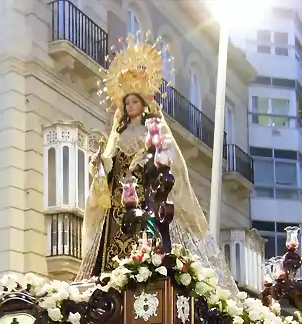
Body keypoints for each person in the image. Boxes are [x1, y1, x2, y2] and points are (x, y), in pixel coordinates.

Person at [76, 31, 237, 296]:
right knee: (110, 257)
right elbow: (110, 166)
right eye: (126, 102)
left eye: (134, 101)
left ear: (144, 103)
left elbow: (169, 162)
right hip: (119, 206)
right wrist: (99, 167)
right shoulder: (117, 135)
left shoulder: (154, 130)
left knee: (149, 239)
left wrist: (148, 157)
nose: (129, 106)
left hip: (147, 198)